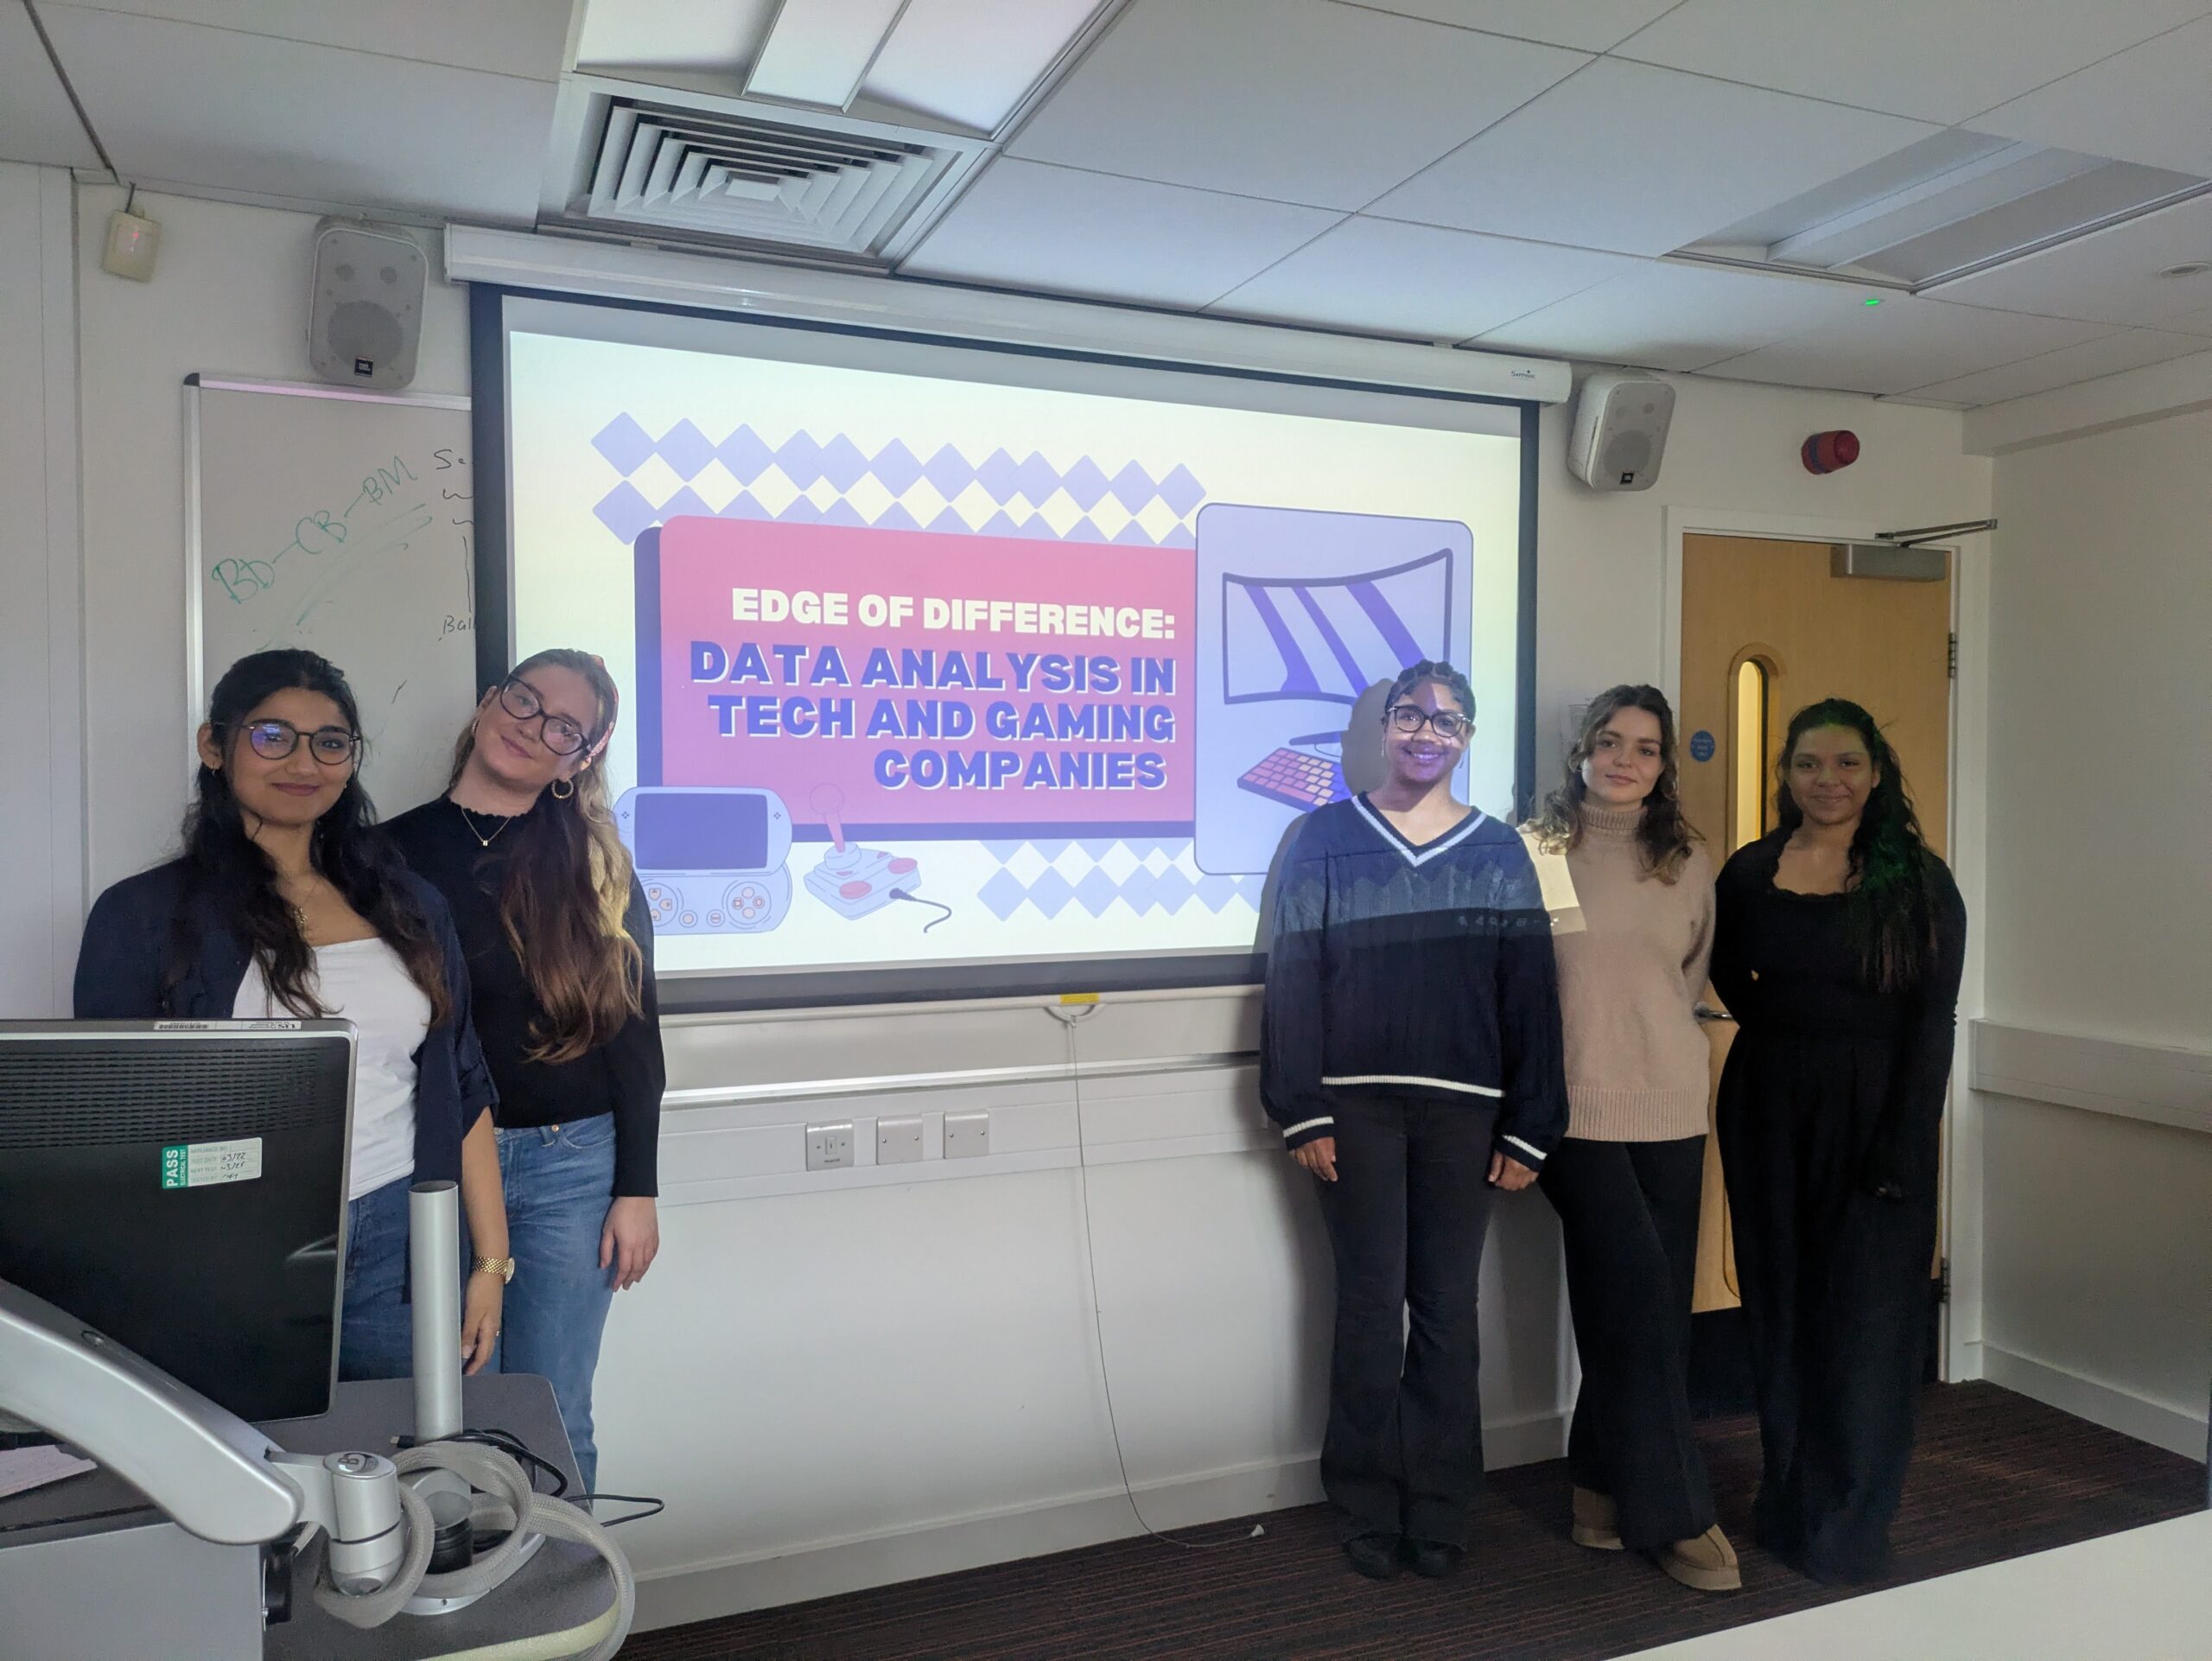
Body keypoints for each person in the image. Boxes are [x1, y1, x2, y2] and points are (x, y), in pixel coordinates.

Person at [73, 648, 507, 1381]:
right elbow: (114, 1130)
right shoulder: (144, 916)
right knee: (262, 1477)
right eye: (272, 736)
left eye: (330, 742)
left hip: (401, 1241)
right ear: (216, 745)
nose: (304, 762)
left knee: (428, 1472)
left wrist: (490, 1261)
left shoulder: (410, 906)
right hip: (231, 1252)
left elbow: (461, 1089)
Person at [1261, 659, 1567, 1581]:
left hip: (1463, 1111)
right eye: (1410, 715)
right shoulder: (1321, 835)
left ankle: (1438, 1502)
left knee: (1443, 1308)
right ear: (1385, 727)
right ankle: (1362, 1501)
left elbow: (1532, 995)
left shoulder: (1500, 850)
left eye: (1448, 721)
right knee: (1365, 1308)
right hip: (1349, 1108)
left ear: (1467, 737)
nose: (1427, 733)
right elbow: (1292, 978)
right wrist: (1300, 1105)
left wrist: (1529, 1124)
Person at [387, 650, 664, 1493]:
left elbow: (636, 1032)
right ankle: (469, 1614)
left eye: (562, 724)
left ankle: (562, 1612)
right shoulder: (377, 854)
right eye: (523, 698)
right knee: (444, 1413)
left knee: (550, 1411)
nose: (531, 724)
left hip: (568, 1167)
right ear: (485, 703)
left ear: (578, 758)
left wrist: (637, 1186)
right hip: (422, 1168)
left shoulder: (596, 864)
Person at [1711, 697, 1966, 1585]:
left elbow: (1932, 1019)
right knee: (1779, 1306)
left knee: (1864, 1321)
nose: (1827, 780)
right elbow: (1722, 968)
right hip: (1767, 1105)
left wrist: (1902, 1144)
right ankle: (1785, 1498)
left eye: (1846, 763)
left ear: (1876, 771)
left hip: (1876, 1115)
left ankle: (1848, 1522)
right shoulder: (1749, 871)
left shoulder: (1919, 881)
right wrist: (1784, 1036)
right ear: (1785, 775)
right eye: (1808, 764)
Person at [1522, 686, 1737, 1592]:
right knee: (1640, 1307)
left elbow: (1686, 976)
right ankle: (1677, 1512)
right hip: (1575, 1114)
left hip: (1674, 1109)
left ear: (1663, 767)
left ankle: (1598, 1487)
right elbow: (1521, 985)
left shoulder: (1688, 858)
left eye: (1645, 748)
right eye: (1609, 741)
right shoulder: (1535, 848)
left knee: (1641, 1314)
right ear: (1581, 749)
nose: (1624, 759)